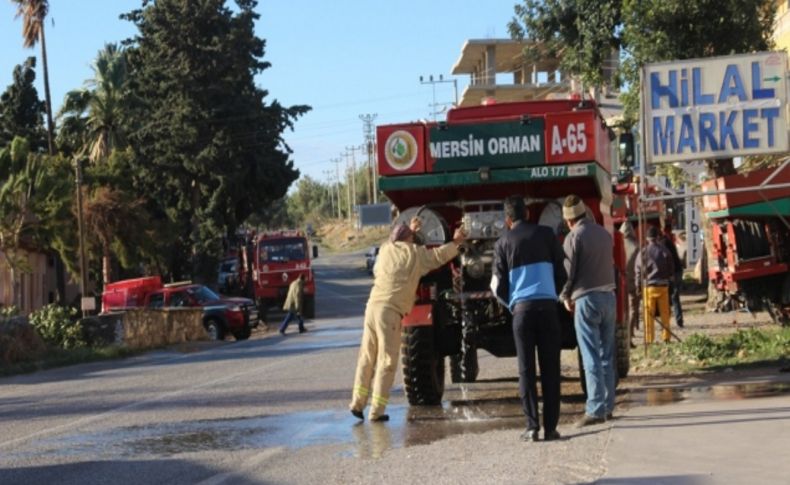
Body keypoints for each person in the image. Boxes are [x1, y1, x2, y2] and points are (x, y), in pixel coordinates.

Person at [349, 216, 466, 422]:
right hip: (390, 312)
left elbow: (395, 241)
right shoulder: (415, 254)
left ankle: (357, 404)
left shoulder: (385, 250)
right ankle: (376, 411)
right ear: (410, 239)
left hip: (372, 308)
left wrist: (410, 230)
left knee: (367, 357)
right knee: (387, 361)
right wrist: (456, 242)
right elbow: (438, 256)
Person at [491, 196, 567, 442]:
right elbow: (562, 273)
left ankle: (532, 427)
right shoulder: (547, 235)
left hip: (522, 312)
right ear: (528, 214)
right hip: (548, 310)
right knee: (551, 370)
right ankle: (552, 428)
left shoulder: (502, 243)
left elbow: (496, 286)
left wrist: (512, 303)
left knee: (526, 370)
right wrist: (553, 295)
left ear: (508, 220)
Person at [559, 194, 617, 427]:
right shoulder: (604, 234)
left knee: (590, 355)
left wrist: (564, 295)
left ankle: (594, 409)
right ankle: (608, 405)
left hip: (586, 300)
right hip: (609, 298)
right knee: (606, 355)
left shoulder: (573, 237)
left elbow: (568, 273)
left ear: (568, 220)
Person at [636, 225, 675, 344]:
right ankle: (666, 337)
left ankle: (649, 339)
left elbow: (638, 271)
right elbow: (671, 268)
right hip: (663, 286)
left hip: (649, 287)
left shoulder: (643, 252)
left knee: (648, 314)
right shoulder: (664, 251)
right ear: (657, 237)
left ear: (647, 238)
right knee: (665, 313)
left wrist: (638, 287)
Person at [660, 227, 684, 328]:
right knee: (675, 297)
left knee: (671, 297)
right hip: (677, 271)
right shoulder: (668, 241)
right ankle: (679, 321)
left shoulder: (663, 243)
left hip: (673, 273)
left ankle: (669, 322)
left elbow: (665, 260)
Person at [620, 221, 639, 347]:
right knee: (633, 309)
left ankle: (623, 336)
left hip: (619, 282)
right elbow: (639, 266)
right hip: (632, 282)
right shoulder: (636, 246)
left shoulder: (616, 244)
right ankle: (630, 333)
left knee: (622, 312)